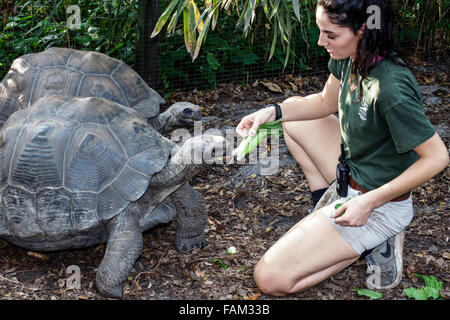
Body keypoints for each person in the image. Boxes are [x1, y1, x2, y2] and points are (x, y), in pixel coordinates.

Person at [235, 0, 448, 296]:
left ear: (363, 30)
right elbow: (324, 102)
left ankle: (373, 237)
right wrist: (271, 111)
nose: (321, 41)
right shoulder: (351, 55)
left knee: (270, 278)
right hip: (351, 174)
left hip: (378, 202)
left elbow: (437, 157)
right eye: (321, 31)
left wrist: (370, 202)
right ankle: (328, 206)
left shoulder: (391, 87)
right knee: (293, 119)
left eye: (330, 34)